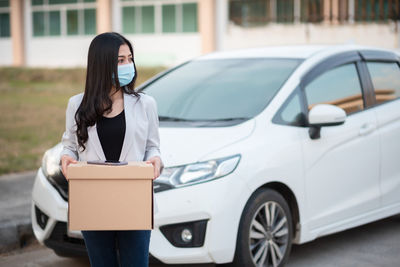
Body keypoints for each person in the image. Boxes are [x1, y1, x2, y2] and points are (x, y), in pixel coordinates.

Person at [59, 32, 163, 267]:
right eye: (120, 60)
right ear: (102, 64)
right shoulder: (77, 105)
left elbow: (152, 147)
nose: (128, 65)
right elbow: (70, 146)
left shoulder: (145, 104)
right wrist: (66, 158)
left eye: (130, 59)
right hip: (93, 201)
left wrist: (155, 160)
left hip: (134, 201)